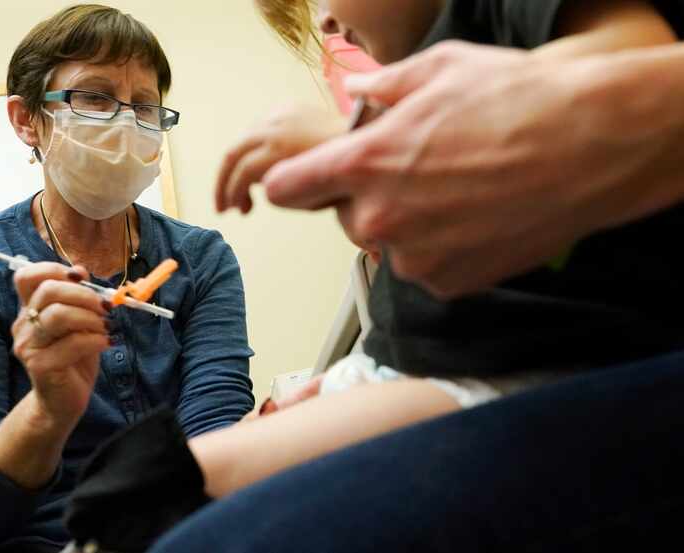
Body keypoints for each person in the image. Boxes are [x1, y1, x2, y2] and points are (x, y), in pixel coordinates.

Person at [171, 0, 684, 506]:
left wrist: (350, 142)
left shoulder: (491, 11)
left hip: (501, 374)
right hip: (411, 368)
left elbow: (624, 69)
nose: (324, 20)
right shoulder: (430, 69)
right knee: (154, 483)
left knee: (164, 490)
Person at [0, 5, 253, 551]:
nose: (124, 123)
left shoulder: (199, 258)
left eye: (144, 105)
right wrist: (48, 411)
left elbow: (214, 426)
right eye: (94, 97)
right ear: (27, 120)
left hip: (184, 531)